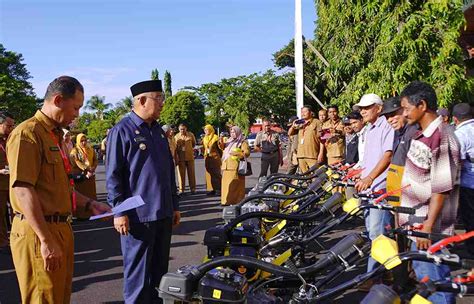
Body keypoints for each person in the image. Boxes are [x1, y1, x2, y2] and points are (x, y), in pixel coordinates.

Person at [7, 76, 111, 303]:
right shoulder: (27, 134)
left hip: (60, 228)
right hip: (39, 231)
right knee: (43, 299)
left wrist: (91, 205)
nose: (77, 114)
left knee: (59, 298)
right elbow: (23, 190)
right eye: (76, 107)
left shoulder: (53, 135)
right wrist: (45, 240)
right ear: (57, 100)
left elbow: (59, 188)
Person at [106, 79, 180, 304]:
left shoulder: (158, 131)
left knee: (160, 275)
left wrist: (175, 205)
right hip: (138, 216)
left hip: (163, 212)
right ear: (141, 100)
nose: (162, 104)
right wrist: (119, 211)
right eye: (158, 98)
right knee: (138, 277)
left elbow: (168, 170)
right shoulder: (122, 130)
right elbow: (113, 175)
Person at [398, 81, 460, 304]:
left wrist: (427, 228)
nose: (404, 114)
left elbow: (441, 190)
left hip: (430, 231)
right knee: (426, 284)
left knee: (437, 286)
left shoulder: (443, 138)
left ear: (421, 105)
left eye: (406, 108)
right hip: (417, 226)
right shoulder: (420, 134)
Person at [354, 93, 394, 274]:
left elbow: (388, 155)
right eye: (361, 108)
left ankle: (374, 275)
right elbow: (369, 159)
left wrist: (369, 178)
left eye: (366, 107)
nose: (362, 111)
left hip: (380, 188)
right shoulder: (370, 129)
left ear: (379, 108)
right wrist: (360, 174)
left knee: (378, 235)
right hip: (369, 189)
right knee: (372, 231)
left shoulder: (387, 126)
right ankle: (384, 274)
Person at [380, 97, 419, 206]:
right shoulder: (398, 133)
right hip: (396, 197)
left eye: (393, 115)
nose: (389, 120)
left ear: (405, 111)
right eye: (387, 117)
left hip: (409, 200)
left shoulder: (414, 132)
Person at [452, 103, 474, 255]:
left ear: (455, 119)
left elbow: (456, 162)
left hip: (469, 185)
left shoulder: (460, 135)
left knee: (470, 220)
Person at [219, 126, 250, 205]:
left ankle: (236, 202)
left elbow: (246, 153)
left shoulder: (242, 142)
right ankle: (225, 201)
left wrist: (237, 153)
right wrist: (220, 141)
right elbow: (222, 148)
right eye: (231, 132)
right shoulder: (228, 141)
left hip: (235, 167)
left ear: (238, 132)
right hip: (226, 166)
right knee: (226, 185)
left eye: (234, 132)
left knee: (235, 186)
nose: (233, 134)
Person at [288, 105, 324, 173]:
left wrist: (321, 153)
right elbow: (289, 133)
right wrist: (293, 126)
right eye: (302, 112)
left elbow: (322, 139)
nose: (303, 114)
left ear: (311, 113)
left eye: (305, 111)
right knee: (304, 177)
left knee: (315, 176)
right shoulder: (300, 122)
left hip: (312, 155)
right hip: (301, 155)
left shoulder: (316, 122)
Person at [0, 112, 14, 254]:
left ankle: (17, 236)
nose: (11, 128)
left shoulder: (10, 139)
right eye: (8, 125)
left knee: (18, 210)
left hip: (12, 181)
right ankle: (3, 240)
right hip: (1, 183)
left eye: (12, 126)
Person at [70, 133, 98, 200]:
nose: (84, 142)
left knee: (91, 194)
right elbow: (76, 161)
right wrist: (87, 168)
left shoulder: (90, 149)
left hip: (90, 175)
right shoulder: (75, 150)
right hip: (81, 175)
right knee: (83, 196)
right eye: (81, 141)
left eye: (85, 140)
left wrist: (93, 168)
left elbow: (95, 160)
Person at [175, 123, 196, 194]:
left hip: (190, 157)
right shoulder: (176, 137)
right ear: (179, 129)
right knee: (181, 175)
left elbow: (193, 144)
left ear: (186, 129)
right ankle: (181, 190)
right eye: (181, 129)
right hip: (181, 159)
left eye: (183, 129)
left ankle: (193, 189)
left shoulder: (191, 135)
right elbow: (175, 148)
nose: (182, 130)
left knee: (191, 174)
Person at [202, 124, 222, 195]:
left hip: (215, 158)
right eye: (204, 130)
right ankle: (214, 189)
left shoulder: (216, 137)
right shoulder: (204, 138)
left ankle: (220, 189)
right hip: (208, 158)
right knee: (211, 174)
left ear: (210, 129)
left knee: (217, 174)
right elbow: (204, 148)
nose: (205, 131)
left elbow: (220, 148)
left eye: (207, 129)